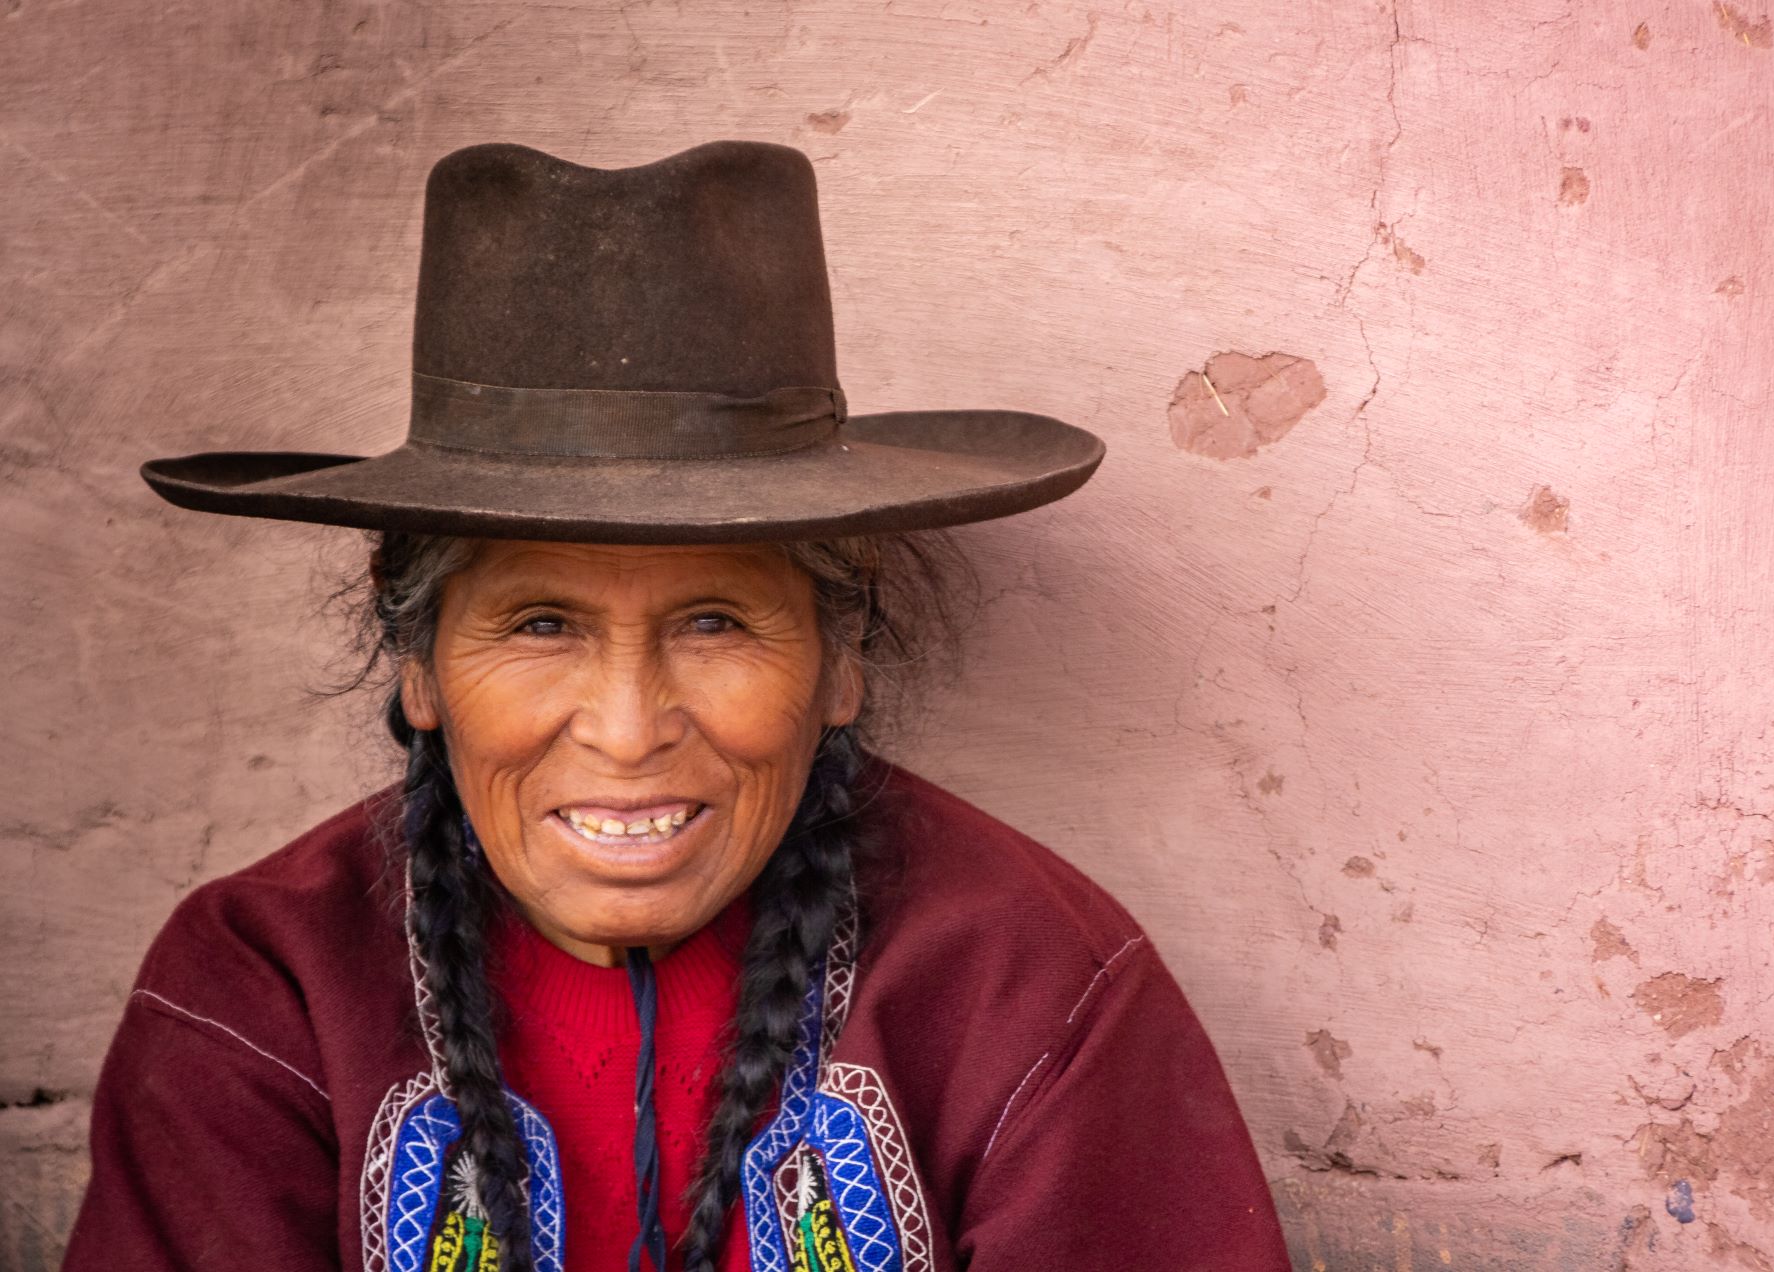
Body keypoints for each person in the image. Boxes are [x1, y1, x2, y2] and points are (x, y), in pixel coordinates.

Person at [63, 140, 1290, 1272]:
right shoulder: (265, 987)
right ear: (420, 663)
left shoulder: (1023, 985)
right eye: (540, 625)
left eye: (714, 623)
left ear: (837, 657)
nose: (626, 726)